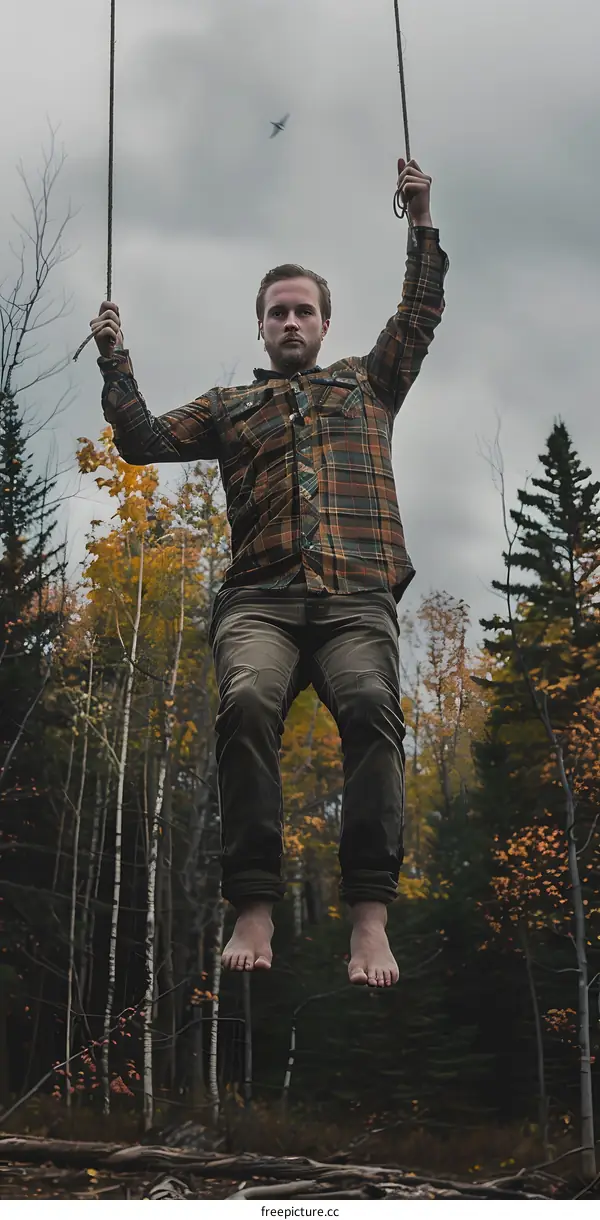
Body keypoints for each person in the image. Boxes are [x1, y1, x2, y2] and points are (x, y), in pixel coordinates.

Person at [91, 158, 449, 988]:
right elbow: (141, 439)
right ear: (261, 329)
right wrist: (116, 358)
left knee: (370, 707)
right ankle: (253, 903)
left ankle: (368, 918)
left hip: (355, 599)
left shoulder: (370, 382)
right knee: (246, 703)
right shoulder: (229, 407)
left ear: (325, 324)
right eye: (278, 312)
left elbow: (422, 311)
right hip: (258, 602)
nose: (292, 321)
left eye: (305, 311)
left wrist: (422, 217)